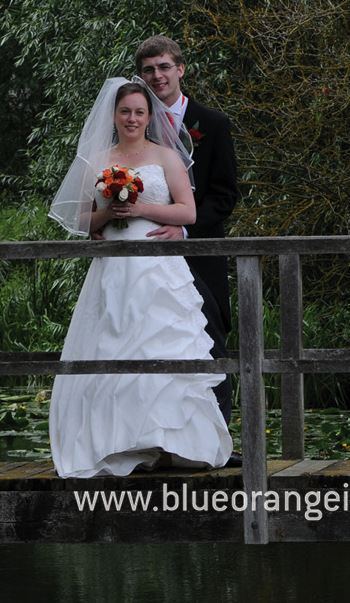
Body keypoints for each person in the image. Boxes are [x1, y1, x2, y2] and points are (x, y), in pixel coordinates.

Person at [47, 78, 233, 478]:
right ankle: (120, 443)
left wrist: (143, 212)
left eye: (139, 112)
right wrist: (108, 215)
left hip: (159, 267)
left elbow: (188, 213)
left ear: (150, 117)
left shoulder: (167, 156)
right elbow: (78, 218)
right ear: (114, 116)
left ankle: (173, 444)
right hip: (114, 267)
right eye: (125, 111)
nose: (132, 118)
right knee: (113, 345)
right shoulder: (97, 159)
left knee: (165, 346)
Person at [135, 35, 240, 425]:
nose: (158, 75)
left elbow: (225, 196)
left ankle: (219, 438)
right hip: (146, 253)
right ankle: (159, 434)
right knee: (151, 340)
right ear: (141, 76)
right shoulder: (132, 126)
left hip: (200, 252)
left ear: (180, 69)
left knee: (207, 340)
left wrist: (184, 230)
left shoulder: (212, 124)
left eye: (164, 67)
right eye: (149, 69)